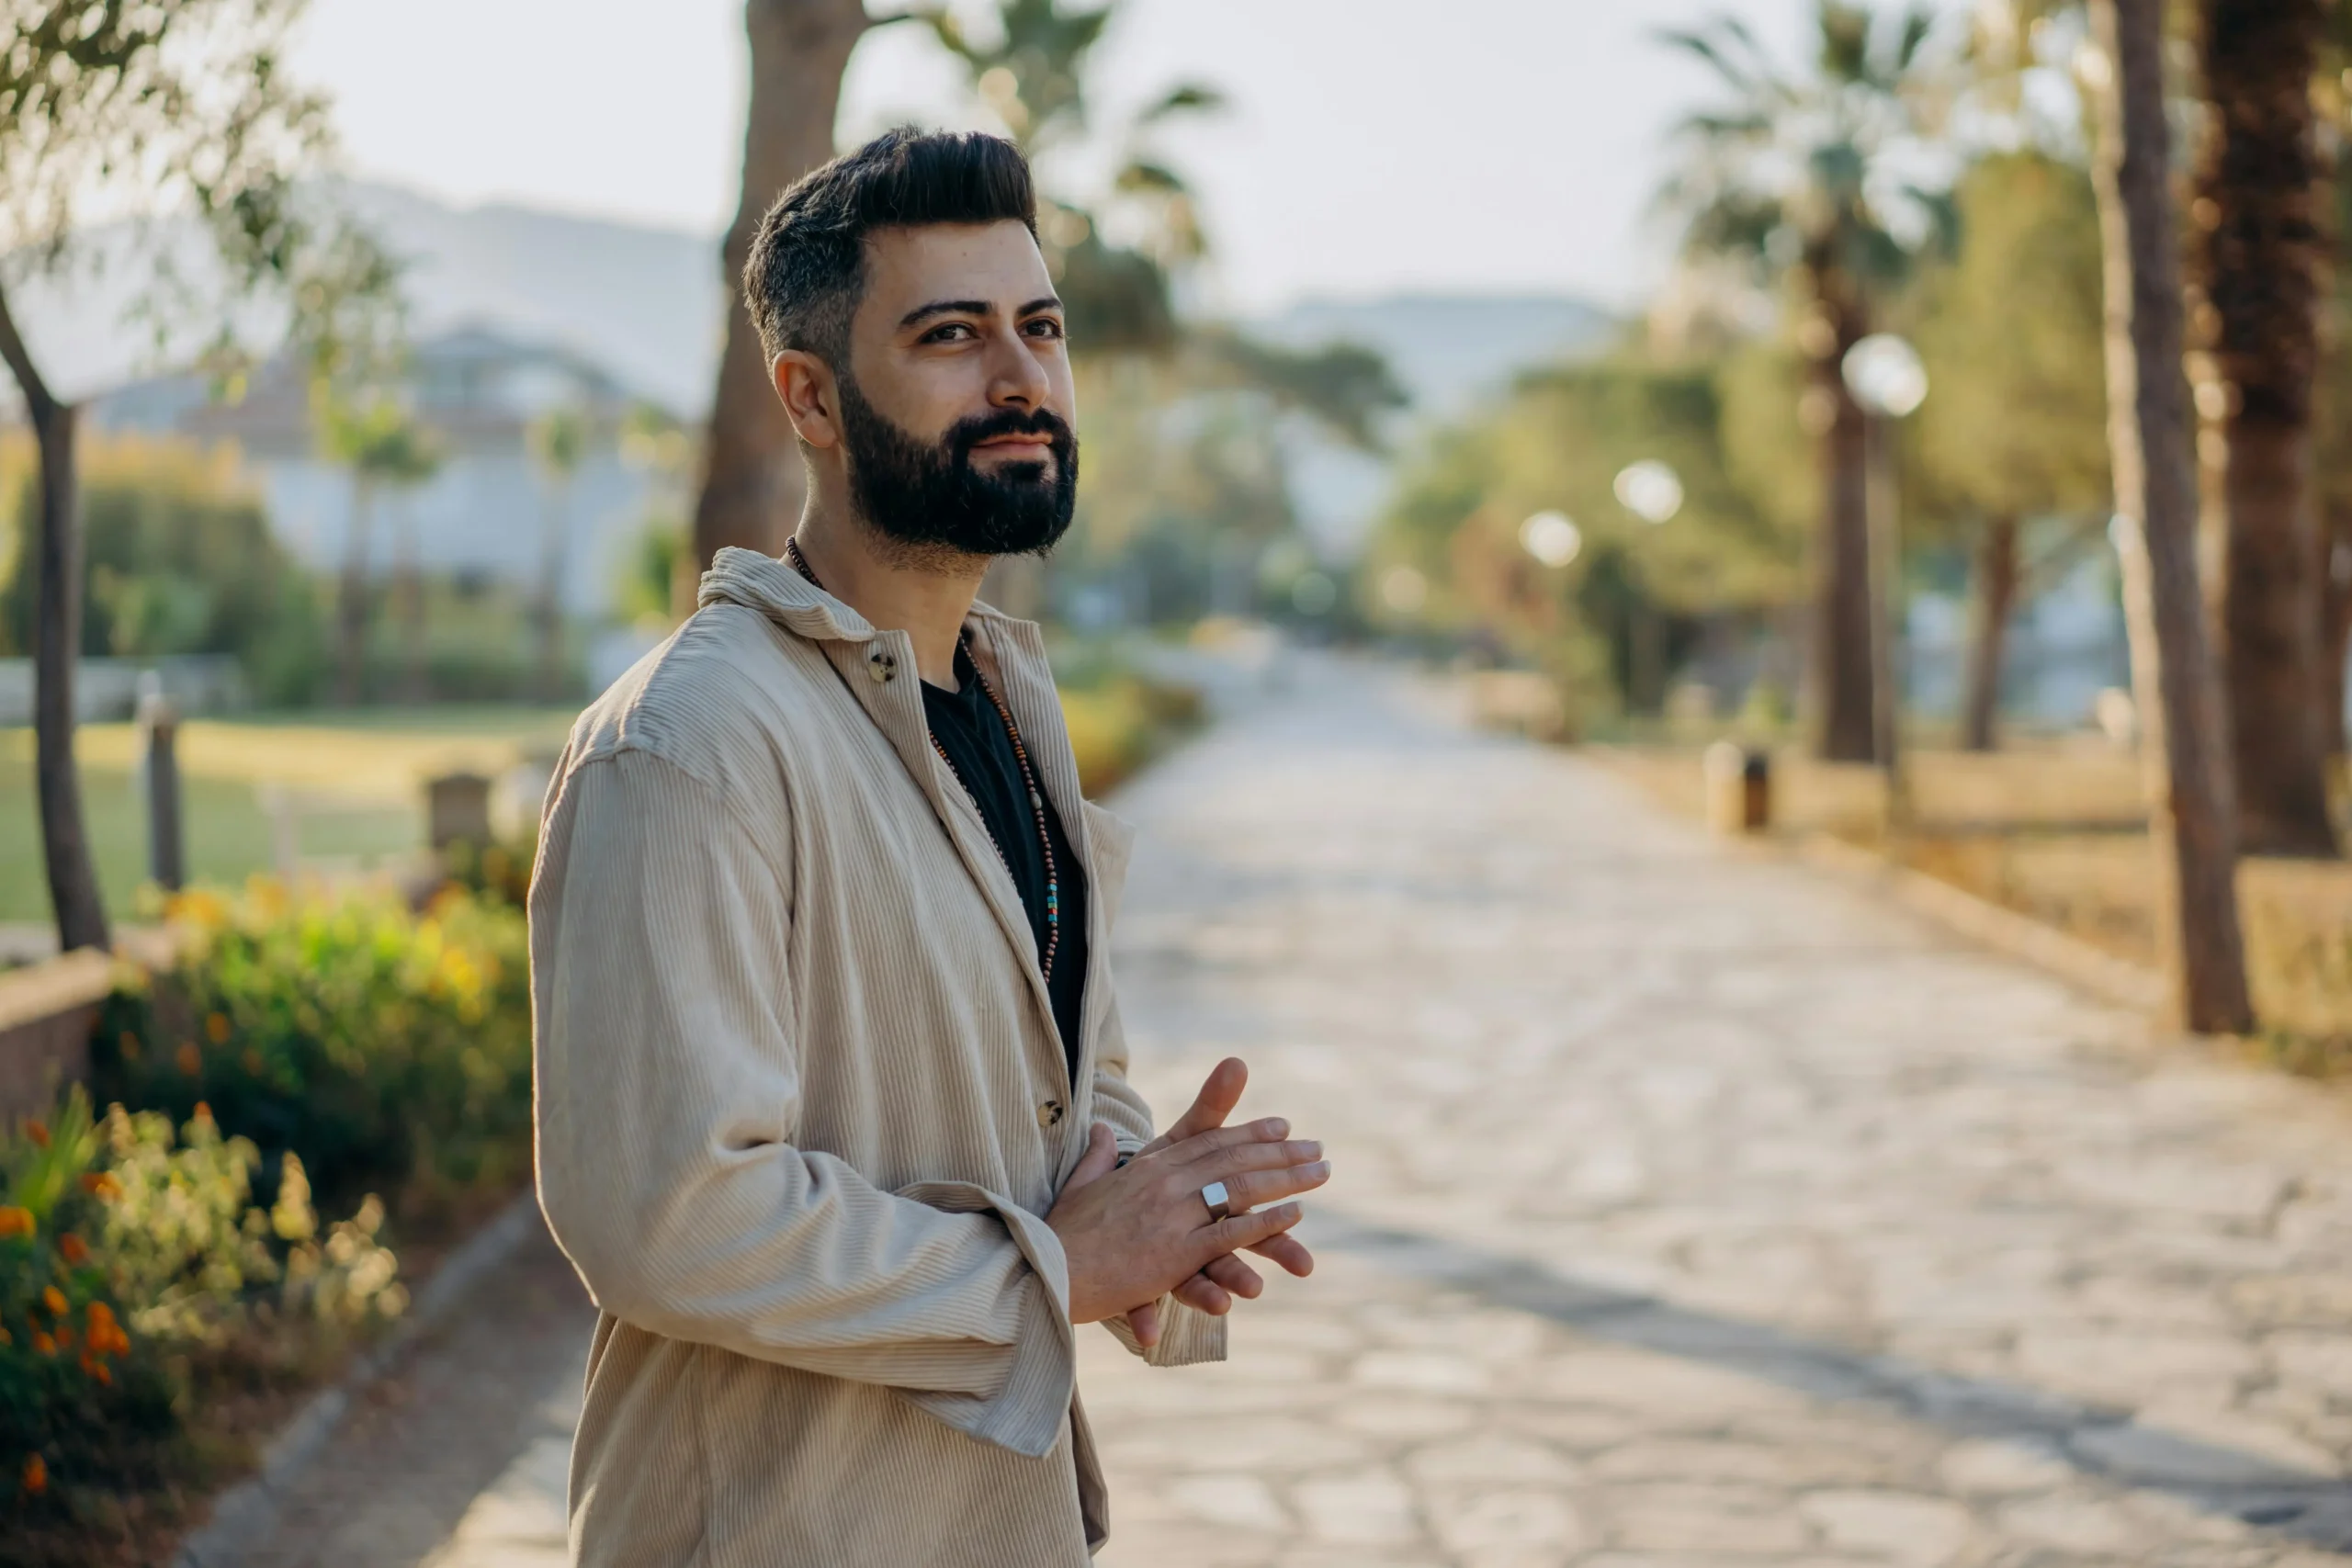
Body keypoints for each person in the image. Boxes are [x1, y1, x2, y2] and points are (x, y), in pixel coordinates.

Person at [527, 127, 1330, 1567]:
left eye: (1040, 327)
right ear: (811, 398)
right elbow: (665, 1210)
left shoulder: (1008, 705)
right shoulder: (691, 744)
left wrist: (1146, 1193)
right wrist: (1062, 1266)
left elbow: (1059, 1083)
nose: (1020, 378)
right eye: (952, 335)